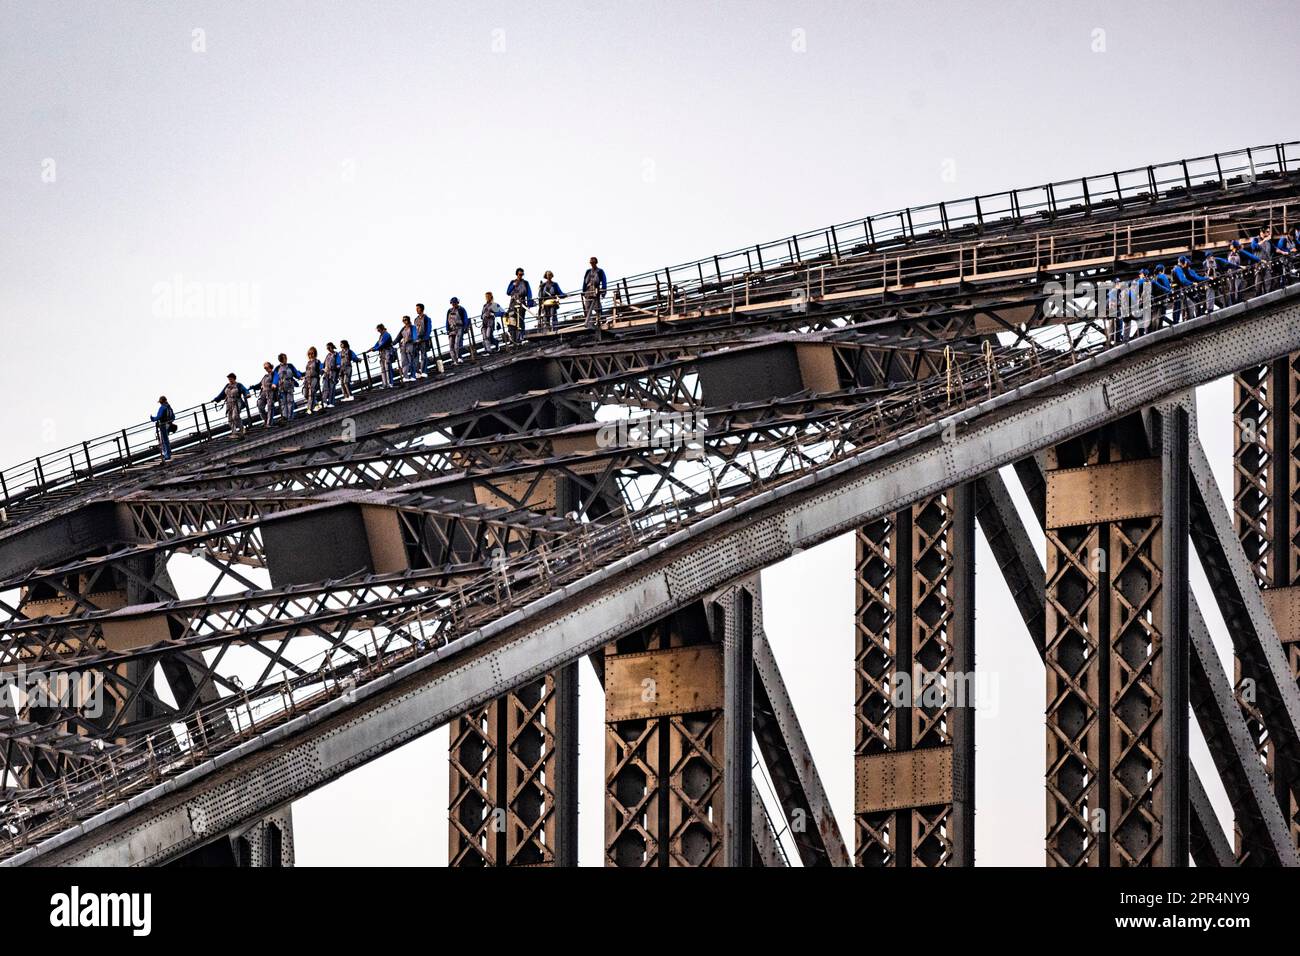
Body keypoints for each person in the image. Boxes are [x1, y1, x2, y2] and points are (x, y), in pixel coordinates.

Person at [1171, 255, 1205, 323]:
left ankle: (1178, 321)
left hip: (1177, 290)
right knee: (1180, 306)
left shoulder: (1177, 268)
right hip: (1178, 290)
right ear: (1183, 262)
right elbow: (1183, 280)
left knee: (1179, 306)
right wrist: (1192, 283)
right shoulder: (1178, 269)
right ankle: (1177, 321)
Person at [505, 268, 534, 345]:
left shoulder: (525, 283)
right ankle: (512, 338)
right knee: (511, 320)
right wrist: (513, 285)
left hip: (521, 302)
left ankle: (521, 337)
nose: (521, 276)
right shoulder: (512, 282)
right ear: (517, 274)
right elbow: (508, 292)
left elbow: (529, 294)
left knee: (520, 320)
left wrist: (529, 303)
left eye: (522, 274)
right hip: (512, 303)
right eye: (519, 274)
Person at [272, 352, 303, 422]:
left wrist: (300, 376)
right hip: (281, 387)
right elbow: (275, 377)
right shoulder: (277, 368)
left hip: (289, 385)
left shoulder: (290, 366)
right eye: (284, 358)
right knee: (283, 402)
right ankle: (285, 417)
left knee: (290, 401)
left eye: (285, 358)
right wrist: (274, 384)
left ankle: (290, 417)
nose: (285, 359)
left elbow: (295, 372)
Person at [582, 256, 607, 328]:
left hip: (595, 290)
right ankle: (590, 322)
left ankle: (601, 319)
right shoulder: (588, 271)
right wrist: (583, 291)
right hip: (588, 291)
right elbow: (584, 282)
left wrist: (603, 290)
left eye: (593, 262)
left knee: (597, 306)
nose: (592, 263)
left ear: (596, 262)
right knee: (587, 307)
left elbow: (604, 281)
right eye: (591, 262)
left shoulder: (600, 271)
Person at [151, 396, 175, 462]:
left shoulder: (162, 408)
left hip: (163, 425)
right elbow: (173, 416)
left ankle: (167, 455)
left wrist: (152, 418)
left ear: (161, 402)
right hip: (168, 425)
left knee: (164, 440)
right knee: (166, 440)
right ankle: (168, 453)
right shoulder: (169, 407)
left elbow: (159, 416)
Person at [414, 303, 434, 376]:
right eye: (416, 308)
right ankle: (417, 371)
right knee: (416, 356)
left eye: (418, 308)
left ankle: (424, 371)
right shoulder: (415, 319)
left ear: (422, 309)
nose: (416, 310)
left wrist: (425, 338)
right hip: (417, 340)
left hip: (423, 340)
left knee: (423, 356)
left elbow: (428, 329)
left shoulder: (426, 318)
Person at [446, 297, 468, 364]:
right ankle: (454, 360)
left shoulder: (461, 309)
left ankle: (460, 358)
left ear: (457, 303)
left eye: (455, 303)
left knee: (457, 344)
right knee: (451, 345)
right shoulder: (449, 311)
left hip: (459, 328)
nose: (453, 304)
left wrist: (464, 327)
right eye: (452, 303)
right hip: (451, 329)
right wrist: (447, 329)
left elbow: (465, 319)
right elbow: (447, 320)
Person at [303, 347, 323, 413]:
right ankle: (316, 404)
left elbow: (321, 368)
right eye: (309, 354)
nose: (311, 355)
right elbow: (306, 371)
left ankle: (309, 409)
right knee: (305, 393)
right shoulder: (308, 363)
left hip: (314, 378)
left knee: (311, 392)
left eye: (312, 353)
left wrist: (321, 372)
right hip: (307, 379)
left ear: (315, 354)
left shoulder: (317, 361)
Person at [256, 361, 276, 426]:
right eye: (265, 368)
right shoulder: (265, 376)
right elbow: (259, 384)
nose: (265, 369)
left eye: (266, 367)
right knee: (260, 404)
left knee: (270, 406)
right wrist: (252, 387)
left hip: (270, 392)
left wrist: (274, 384)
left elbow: (276, 379)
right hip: (263, 393)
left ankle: (269, 423)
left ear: (270, 367)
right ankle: (265, 419)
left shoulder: (274, 374)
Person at [397, 315, 417, 381]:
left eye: (405, 320)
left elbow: (414, 336)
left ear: (408, 320)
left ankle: (413, 375)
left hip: (410, 345)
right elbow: (398, 337)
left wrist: (411, 340)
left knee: (411, 361)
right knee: (404, 361)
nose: (404, 321)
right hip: (403, 347)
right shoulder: (403, 329)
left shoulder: (412, 327)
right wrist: (392, 343)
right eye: (403, 320)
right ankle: (405, 377)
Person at [323, 342, 341, 407]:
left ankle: (331, 402)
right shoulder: (328, 355)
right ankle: (324, 402)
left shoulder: (336, 354)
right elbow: (324, 364)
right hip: (326, 373)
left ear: (332, 347)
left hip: (333, 373)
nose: (328, 349)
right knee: (325, 388)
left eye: (329, 347)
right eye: (327, 347)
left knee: (332, 388)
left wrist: (337, 368)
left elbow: (338, 364)